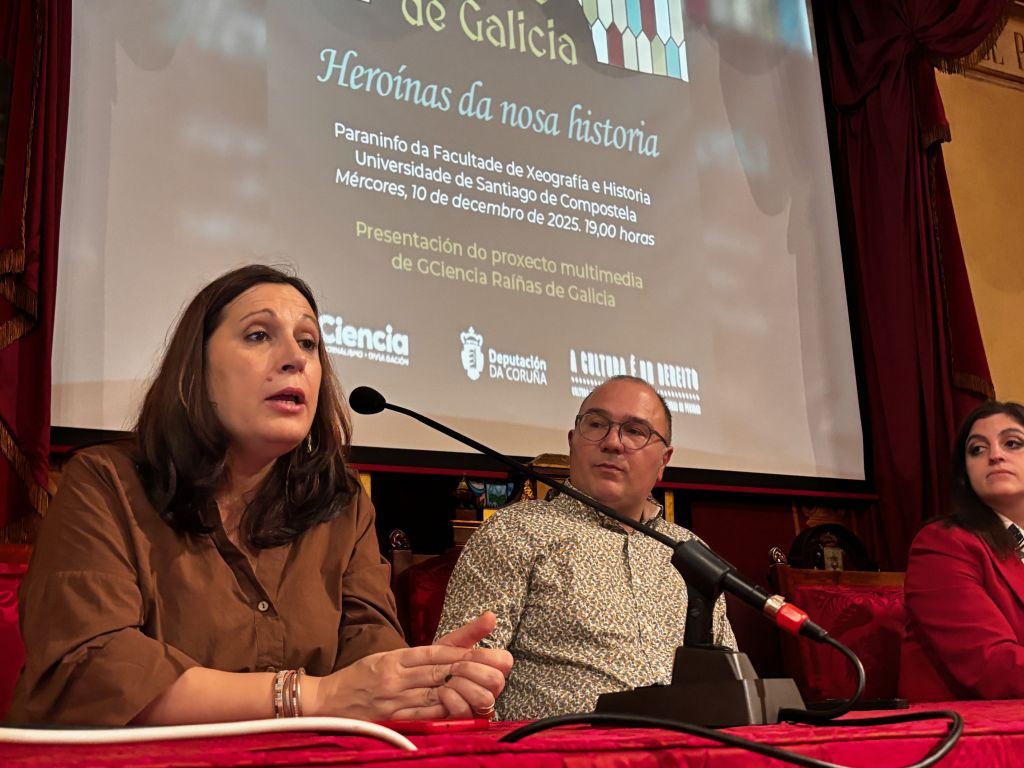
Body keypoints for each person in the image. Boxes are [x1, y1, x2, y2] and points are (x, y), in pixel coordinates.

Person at [10, 265, 511, 725]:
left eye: (309, 343)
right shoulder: (106, 484)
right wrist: (307, 697)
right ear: (196, 368)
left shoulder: (344, 506)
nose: (295, 358)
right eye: (258, 335)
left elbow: (367, 660)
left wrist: (423, 683)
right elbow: (88, 668)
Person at [435, 375, 736, 720]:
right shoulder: (513, 531)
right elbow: (458, 679)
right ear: (572, 442)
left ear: (664, 460)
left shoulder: (692, 551)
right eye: (596, 425)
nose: (612, 442)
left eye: (635, 431)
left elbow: (725, 678)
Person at [900, 400, 1024, 702]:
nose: (995, 455)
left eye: (1012, 443)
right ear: (965, 474)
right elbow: (991, 666)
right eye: (977, 450)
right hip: (967, 734)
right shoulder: (941, 544)